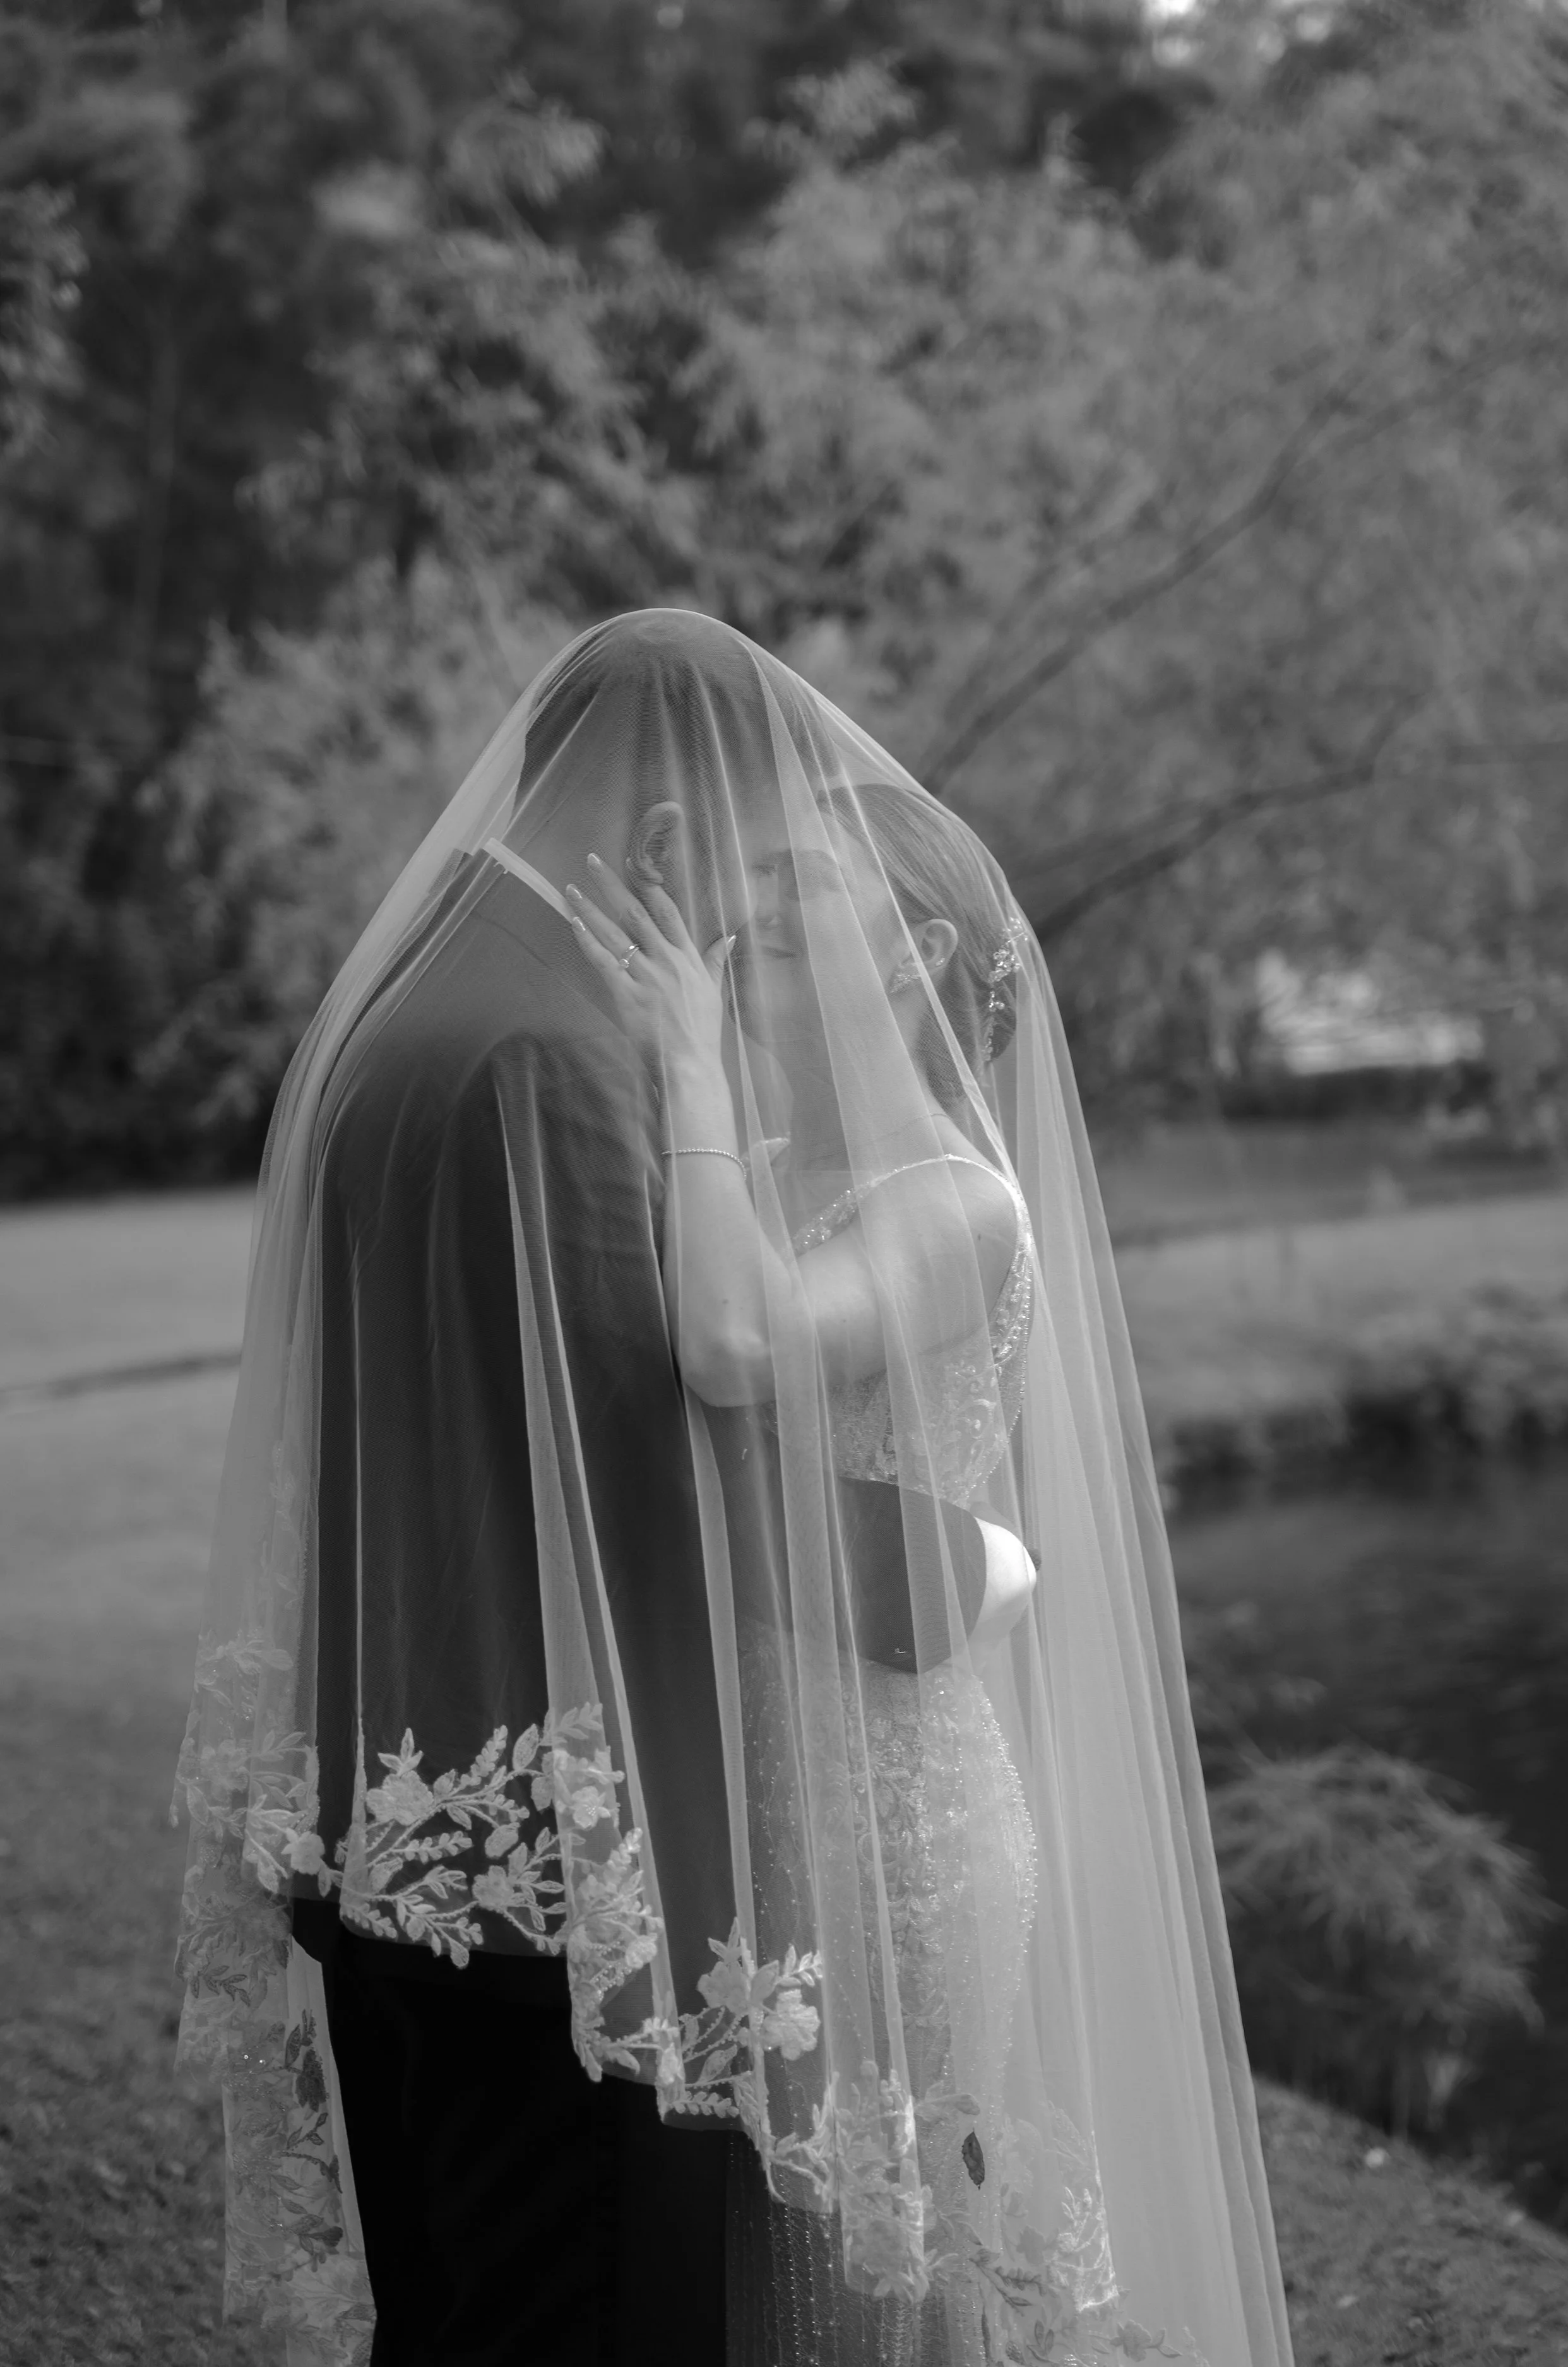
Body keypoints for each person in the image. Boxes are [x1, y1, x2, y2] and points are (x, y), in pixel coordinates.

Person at [174, 611, 1293, 2367]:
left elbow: (712, 1374)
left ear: (916, 953)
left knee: (863, 2252)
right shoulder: (585, 1068)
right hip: (681, 1797)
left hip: (871, 1807)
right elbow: (672, 1405)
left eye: (796, 902)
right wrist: (955, 1559)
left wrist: (693, 1069)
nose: (741, 912)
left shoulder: (921, 1184)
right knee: (728, 2281)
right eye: (745, 878)